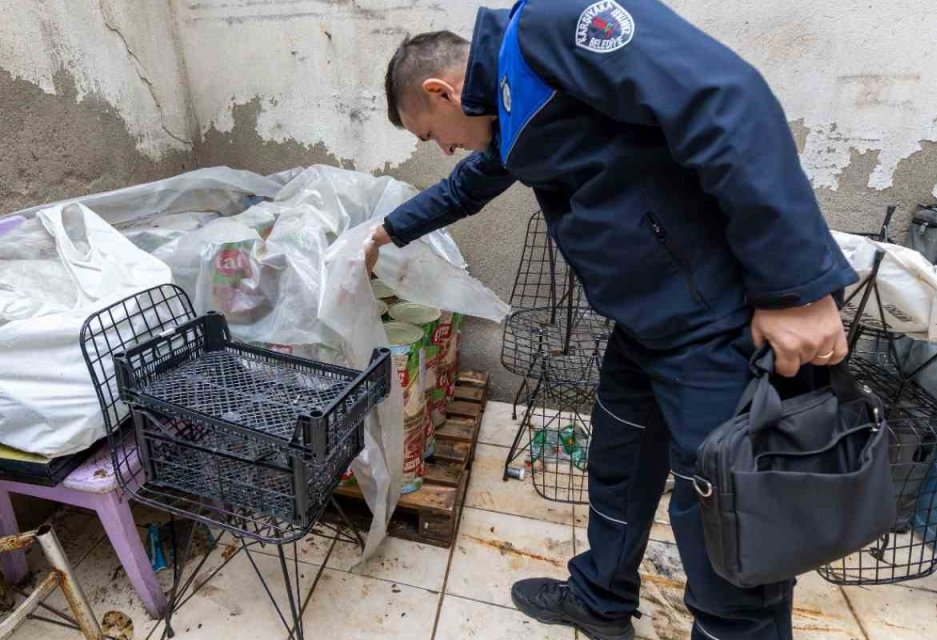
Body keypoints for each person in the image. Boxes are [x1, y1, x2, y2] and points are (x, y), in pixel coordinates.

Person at [364, 1, 857, 639]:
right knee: (619, 463)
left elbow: (724, 98)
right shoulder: (510, 107)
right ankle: (600, 599)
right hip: (645, 325)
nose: (446, 147)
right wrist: (383, 231)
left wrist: (797, 290)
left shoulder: (550, 26)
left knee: (728, 522)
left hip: (712, 324)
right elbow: (473, 182)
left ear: (442, 90)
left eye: (432, 133)